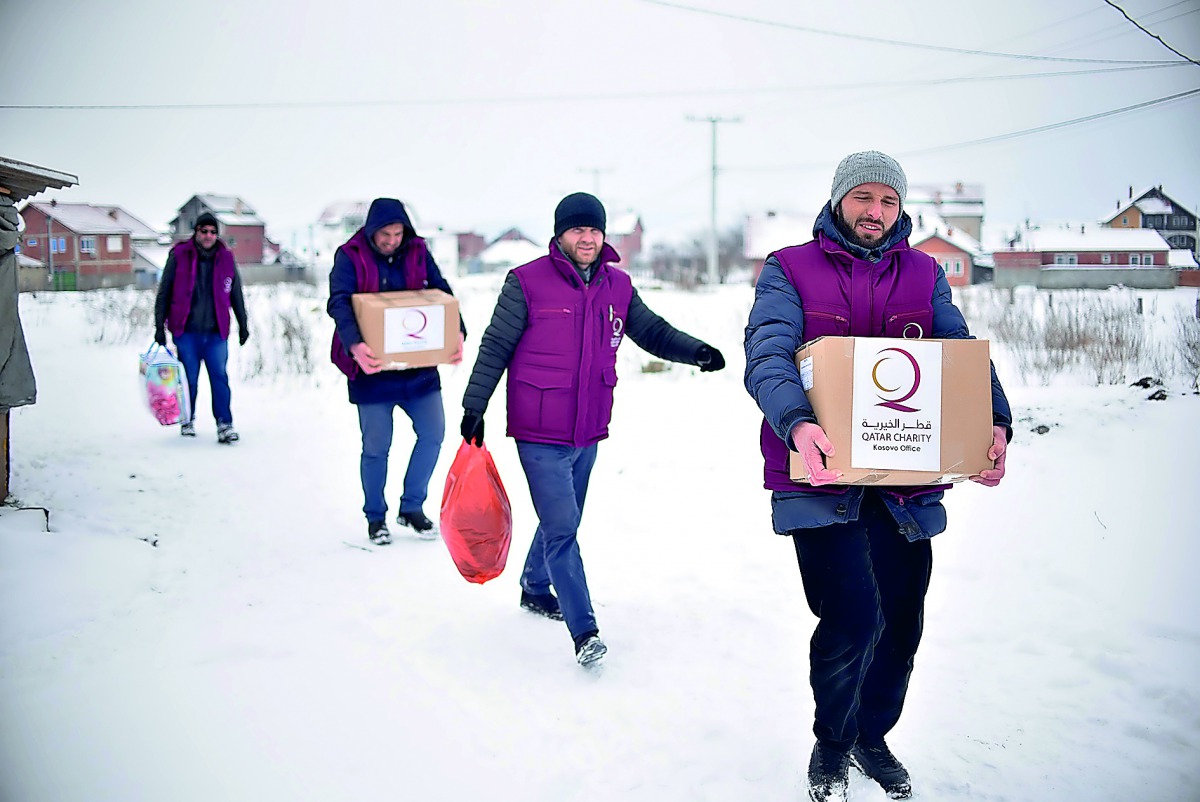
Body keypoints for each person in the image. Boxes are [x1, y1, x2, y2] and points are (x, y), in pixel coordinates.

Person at [743, 152, 1012, 801]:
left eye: (888, 202)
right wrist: (797, 422)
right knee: (850, 619)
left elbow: (957, 352)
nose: (875, 211)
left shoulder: (924, 272)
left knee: (901, 622)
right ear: (840, 201)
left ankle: (872, 734)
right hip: (820, 476)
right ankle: (833, 743)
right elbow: (768, 352)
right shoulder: (790, 268)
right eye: (864, 198)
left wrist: (995, 422)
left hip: (905, 483)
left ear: (900, 209)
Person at [460, 192, 726, 667]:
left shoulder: (617, 286)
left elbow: (653, 332)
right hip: (538, 428)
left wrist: (698, 351)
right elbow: (495, 344)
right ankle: (585, 632)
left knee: (563, 516)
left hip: (588, 427)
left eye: (594, 229)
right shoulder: (525, 282)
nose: (586, 237)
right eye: (577, 229)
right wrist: (474, 406)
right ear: (560, 234)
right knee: (563, 527)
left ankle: (536, 586)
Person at [328, 198, 465, 546]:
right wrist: (355, 345)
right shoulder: (350, 255)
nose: (391, 240)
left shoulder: (417, 251)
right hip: (371, 369)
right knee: (376, 446)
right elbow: (340, 302)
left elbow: (440, 291)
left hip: (418, 366)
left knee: (433, 433)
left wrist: (457, 330)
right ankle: (376, 517)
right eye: (385, 234)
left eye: (397, 232)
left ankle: (412, 507)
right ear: (372, 231)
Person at [155, 212, 249, 443]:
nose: (208, 236)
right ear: (196, 232)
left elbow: (235, 293)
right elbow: (164, 291)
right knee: (189, 379)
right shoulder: (180, 255)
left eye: (212, 232)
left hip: (216, 332)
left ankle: (224, 424)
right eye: (204, 231)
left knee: (219, 377)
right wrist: (159, 326)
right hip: (186, 331)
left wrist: (243, 323)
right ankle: (187, 419)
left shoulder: (226, 257)